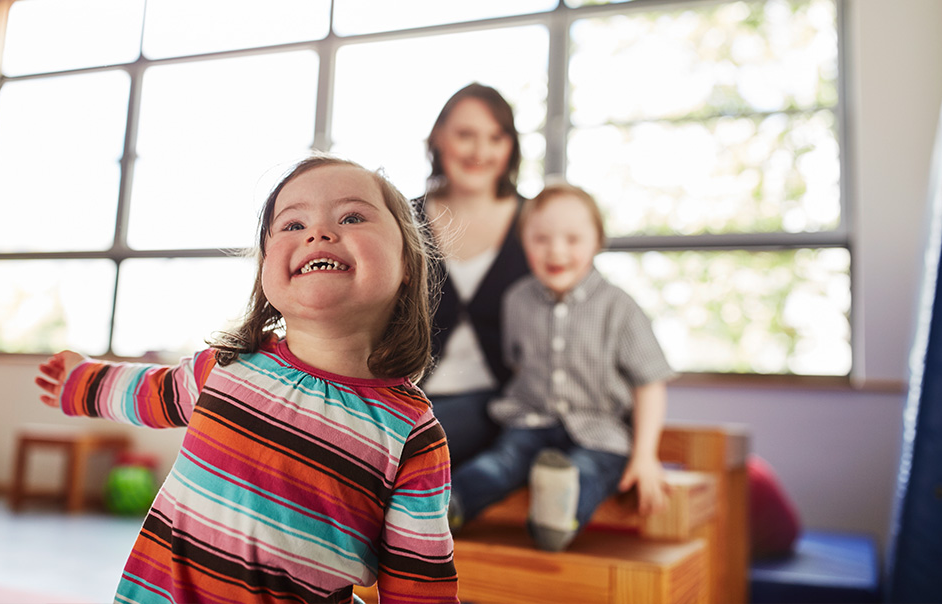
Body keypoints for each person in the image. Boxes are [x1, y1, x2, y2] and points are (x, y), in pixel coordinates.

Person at [35, 155, 459, 604]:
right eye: (292, 225)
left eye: (352, 217)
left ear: (408, 263)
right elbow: (152, 393)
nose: (318, 233)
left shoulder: (412, 434)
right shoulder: (229, 366)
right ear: (265, 269)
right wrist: (81, 382)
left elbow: (420, 582)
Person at [446, 181, 676, 552]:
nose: (556, 251)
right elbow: (518, 365)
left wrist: (645, 455)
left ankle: (555, 517)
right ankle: (448, 507)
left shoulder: (619, 307)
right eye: (541, 239)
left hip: (599, 432)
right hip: (531, 422)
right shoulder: (517, 300)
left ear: (597, 242)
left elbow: (650, 382)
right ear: (524, 243)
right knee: (500, 462)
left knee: (588, 471)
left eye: (573, 239)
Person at [414, 83, 531, 469]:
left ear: (510, 146)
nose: (481, 153)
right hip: (404, 395)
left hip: (493, 404)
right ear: (438, 137)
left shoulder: (537, 223)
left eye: (496, 138)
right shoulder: (402, 219)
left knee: (409, 450)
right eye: (466, 135)